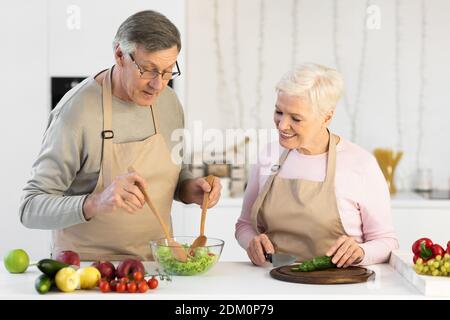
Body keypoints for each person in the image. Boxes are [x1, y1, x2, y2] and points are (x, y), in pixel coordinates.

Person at [19, 10, 221, 261]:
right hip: (88, 271)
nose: (158, 85)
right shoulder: (76, 113)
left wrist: (190, 189)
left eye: (168, 70)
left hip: (157, 267)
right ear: (119, 55)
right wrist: (95, 202)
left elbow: (175, 173)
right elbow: (30, 207)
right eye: (147, 70)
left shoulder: (169, 103)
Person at [235, 63, 398, 267]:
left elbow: (387, 241)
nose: (282, 125)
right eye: (279, 112)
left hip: (339, 286)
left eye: (296, 118)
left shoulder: (361, 164)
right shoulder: (269, 154)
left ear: (327, 117)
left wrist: (361, 252)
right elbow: (244, 225)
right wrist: (251, 242)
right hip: (273, 280)